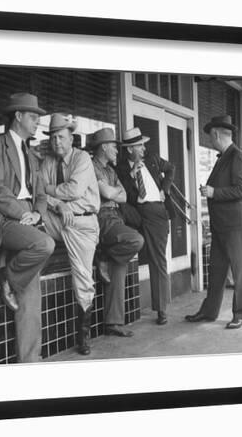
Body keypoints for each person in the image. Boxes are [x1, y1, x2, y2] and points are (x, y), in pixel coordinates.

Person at [0, 92, 55, 363]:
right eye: (33, 116)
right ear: (18, 116)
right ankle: (6, 276)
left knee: (30, 293)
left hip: (28, 219)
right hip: (5, 218)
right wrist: (21, 213)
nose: (37, 121)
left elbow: (40, 195)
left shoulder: (32, 154)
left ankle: (30, 360)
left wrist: (37, 215)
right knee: (44, 244)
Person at [185, 115, 242, 329]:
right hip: (222, 225)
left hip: (234, 224)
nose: (210, 141)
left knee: (239, 270)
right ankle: (209, 312)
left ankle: (240, 314)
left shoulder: (236, 156)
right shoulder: (225, 157)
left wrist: (214, 192)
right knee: (216, 270)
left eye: (210, 137)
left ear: (215, 133)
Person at [40, 113, 100, 355]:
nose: (57, 142)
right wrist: (58, 204)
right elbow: (39, 193)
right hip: (58, 219)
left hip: (83, 224)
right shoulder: (48, 162)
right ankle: (11, 274)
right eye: (53, 137)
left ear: (71, 138)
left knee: (83, 281)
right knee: (30, 218)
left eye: (61, 137)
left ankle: (83, 334)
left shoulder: (82, 157)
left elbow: (74, 189)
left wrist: (51, 192)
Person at [115, 127, 175, 325]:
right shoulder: (122, 169)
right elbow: (123, 194)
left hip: (157, 212)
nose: (143, 148)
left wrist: (164, 190)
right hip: (138, 215)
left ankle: (161, 309)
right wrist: (131, 175)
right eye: (139, 145)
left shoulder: (153, 159)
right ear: (131, 149)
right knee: (142, 255)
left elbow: (171, 169)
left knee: (157, 260)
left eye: (142, 145)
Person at [89, 128, 144, 337]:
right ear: (103, 147)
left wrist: (113, 193)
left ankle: (113, 322)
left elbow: (123, 197)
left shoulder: (111, 170)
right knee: (135, 240)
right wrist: (113, 193)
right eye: (113, 146)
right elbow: (109, 193)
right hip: (101, 218)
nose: (116, 151)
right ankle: (102, 254)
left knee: (118, 266)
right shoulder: (91, 166)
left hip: (114, 216)